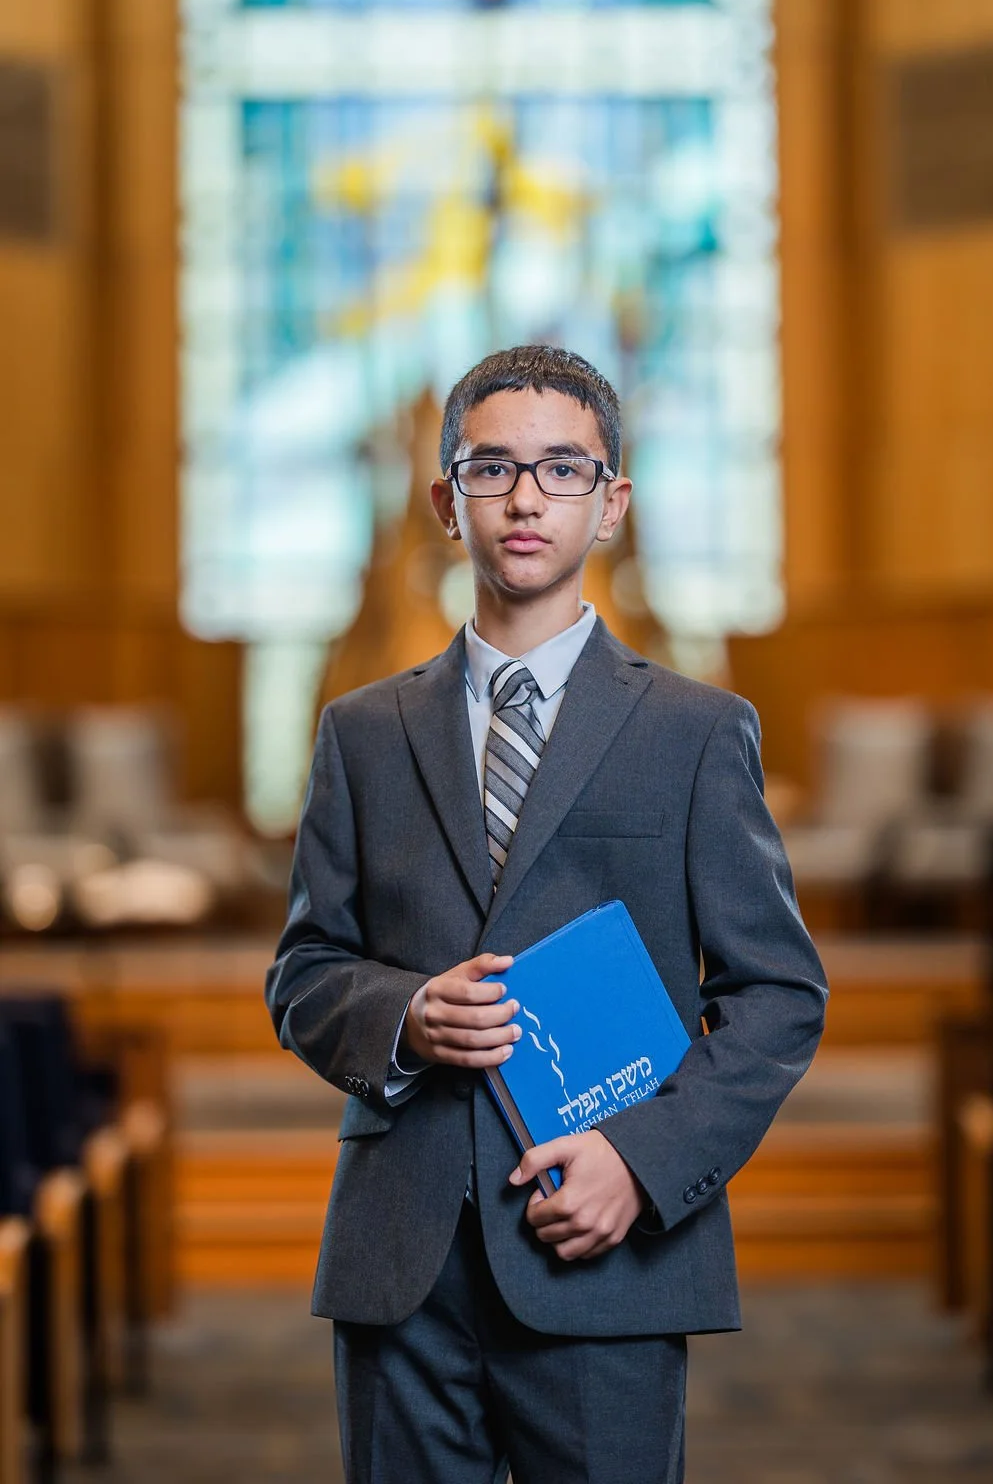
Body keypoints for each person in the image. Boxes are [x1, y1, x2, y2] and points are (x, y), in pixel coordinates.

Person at [266, 344, 828, 1484]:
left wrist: (644, 1158)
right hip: (403, 1257)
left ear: (611, 502)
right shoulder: (361, 734)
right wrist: (406, 1012)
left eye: (563, 470)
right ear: (445, 499)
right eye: (492, 468)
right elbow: (305, 970)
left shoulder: (695, 731)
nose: (525, 497)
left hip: (603, 1247)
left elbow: (777, 994)